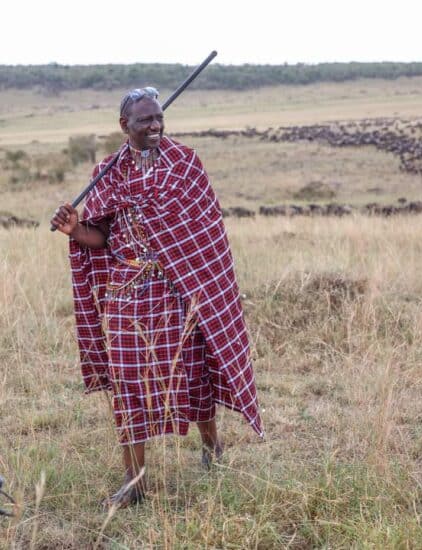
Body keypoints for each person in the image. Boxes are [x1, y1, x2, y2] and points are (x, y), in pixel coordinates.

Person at [50, 87, 263, 508]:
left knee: (193, 370)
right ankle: (135, 482)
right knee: (128, 383)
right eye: (145, 120)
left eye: (158, 118)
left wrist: (193, 279)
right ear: (124, 125)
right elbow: (102, 238)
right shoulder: (106, 172)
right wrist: (75, 229)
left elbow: (205, 232)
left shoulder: (185, 164)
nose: (155, 126)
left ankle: (212, 446)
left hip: (180, 290)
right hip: (126, 294)